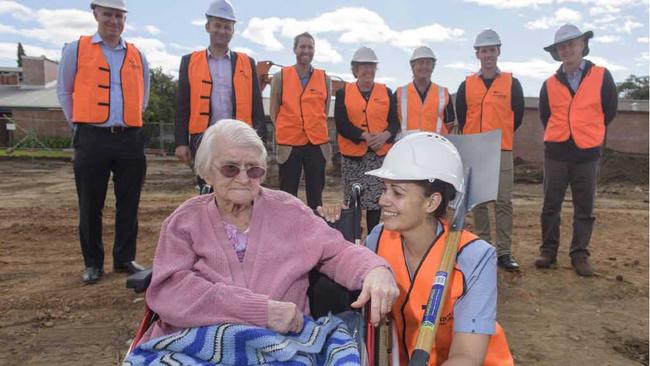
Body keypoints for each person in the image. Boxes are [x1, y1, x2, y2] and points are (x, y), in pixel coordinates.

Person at [141, 119, 399, 344]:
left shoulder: (289, 212)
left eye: (253, 170)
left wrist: (374, 269)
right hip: (198, 341)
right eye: (230, 168)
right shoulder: (184, 221)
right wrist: (260, 311)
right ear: (206, 172)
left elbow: (338, 252)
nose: (243, 178)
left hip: (283, 345)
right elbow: (170, 290)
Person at [57, 0, 150, 284]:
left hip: (129, 138)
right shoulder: (76, 48)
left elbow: (144, 93)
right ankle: (93, 263)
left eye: (118, 15)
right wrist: (82, 125)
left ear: (125, 19)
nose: (113, 20)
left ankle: (124, 258)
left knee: (129, 202)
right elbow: (64, 90)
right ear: (95, 14)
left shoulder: (137, 54)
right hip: (92, 137)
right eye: (107, 14)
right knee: (90, 203)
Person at [536, 24, 617, 277]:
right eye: (562, 46)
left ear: (583, 45)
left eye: (572, 44)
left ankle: (579, 254)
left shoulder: (602, 76)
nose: (567, 49)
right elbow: (545, 116)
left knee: (584, 207)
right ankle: (548, 252)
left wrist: (588, 131)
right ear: (557, 52)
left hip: (587, 153)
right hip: (556, 153)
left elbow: (609, 110)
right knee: (551, 205)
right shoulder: (549, 84)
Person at [455, 29, 525, 272]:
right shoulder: (467, 85)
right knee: (480, 202)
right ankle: (485, 249)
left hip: (501, 148)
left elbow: (518, 115)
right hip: (476, 148)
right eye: (483, 51)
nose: (488, 55)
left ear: (498, 52)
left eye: (491, 50)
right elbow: (462, 117)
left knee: (504, 201)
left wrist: (499, 136)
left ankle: (504, 253)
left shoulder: (511, 83)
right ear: (477, 54)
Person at [174, 0, 266, 173]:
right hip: (203, 138)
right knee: (206, 186)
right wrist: (181, 142)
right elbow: (182, 106)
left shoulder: (247, 63)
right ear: (207, 26)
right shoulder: (190, 62)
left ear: (233, 31)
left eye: (227, 27)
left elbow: (257, 107)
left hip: (239, 137)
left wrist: (261, 142)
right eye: (218, 25)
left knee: (240, 185)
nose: (222, 31)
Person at [335, 46, 399, 233]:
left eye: (371, 66)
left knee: (375, 202)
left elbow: (394, 122)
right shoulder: (343, 93)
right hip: (353, 158)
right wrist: (363, 136)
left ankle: (374, 237)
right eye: (363, 66)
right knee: (354, 201)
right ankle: (354, 236)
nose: (367, 70)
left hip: (378, 157)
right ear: (355, 69)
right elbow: (341, 123)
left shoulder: (386, 92)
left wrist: (385, 135)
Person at [270, 32, 331, 209]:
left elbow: (324, 111)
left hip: (317, 144)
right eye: (302, 46)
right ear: (295, 49)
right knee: (287, 196)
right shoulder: (280, 77)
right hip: (289, 144)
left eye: (310, 47)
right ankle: (287, 233)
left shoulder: (324, 78)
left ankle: (314, 232)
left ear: (314, 50)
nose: (306, 50)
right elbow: (274, 111)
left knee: (316, 196)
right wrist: (288, 127)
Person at [396, 46, 455, 138]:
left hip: (436, 145)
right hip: (408, 146)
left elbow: (449, 124)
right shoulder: (399, 93)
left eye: (428, 63)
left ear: (433, 67)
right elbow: (393, 122)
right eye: (420, 63)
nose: (424, 66)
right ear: (412, 66)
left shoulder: (444, 93)